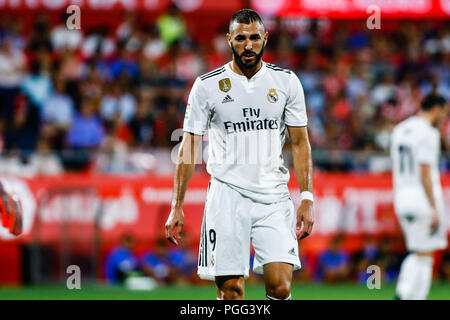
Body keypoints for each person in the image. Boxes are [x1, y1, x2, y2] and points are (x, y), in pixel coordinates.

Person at [165, 9, 314, 300]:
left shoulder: (286, 82)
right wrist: (176, 204)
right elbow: (189, 146)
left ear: (265, 38)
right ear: (229, 40)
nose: (248, 45)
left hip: (273, 195)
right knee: (231, 291)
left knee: (281, 286)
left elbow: (300, 143)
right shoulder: (206, 86)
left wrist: (307, 197)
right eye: (241, 38)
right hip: (227, 195)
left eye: (255, 38)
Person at [390, 92, 448, 300]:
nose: (444, 117)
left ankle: (405, 293)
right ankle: (408, 294)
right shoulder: (428, 133)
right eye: (445, 112)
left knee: (416, 250)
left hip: (402, 197)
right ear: (436, 109)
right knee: (425, 254)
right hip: (421, 197)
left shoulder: (399, 130)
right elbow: (425, 173)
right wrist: (433, 206)